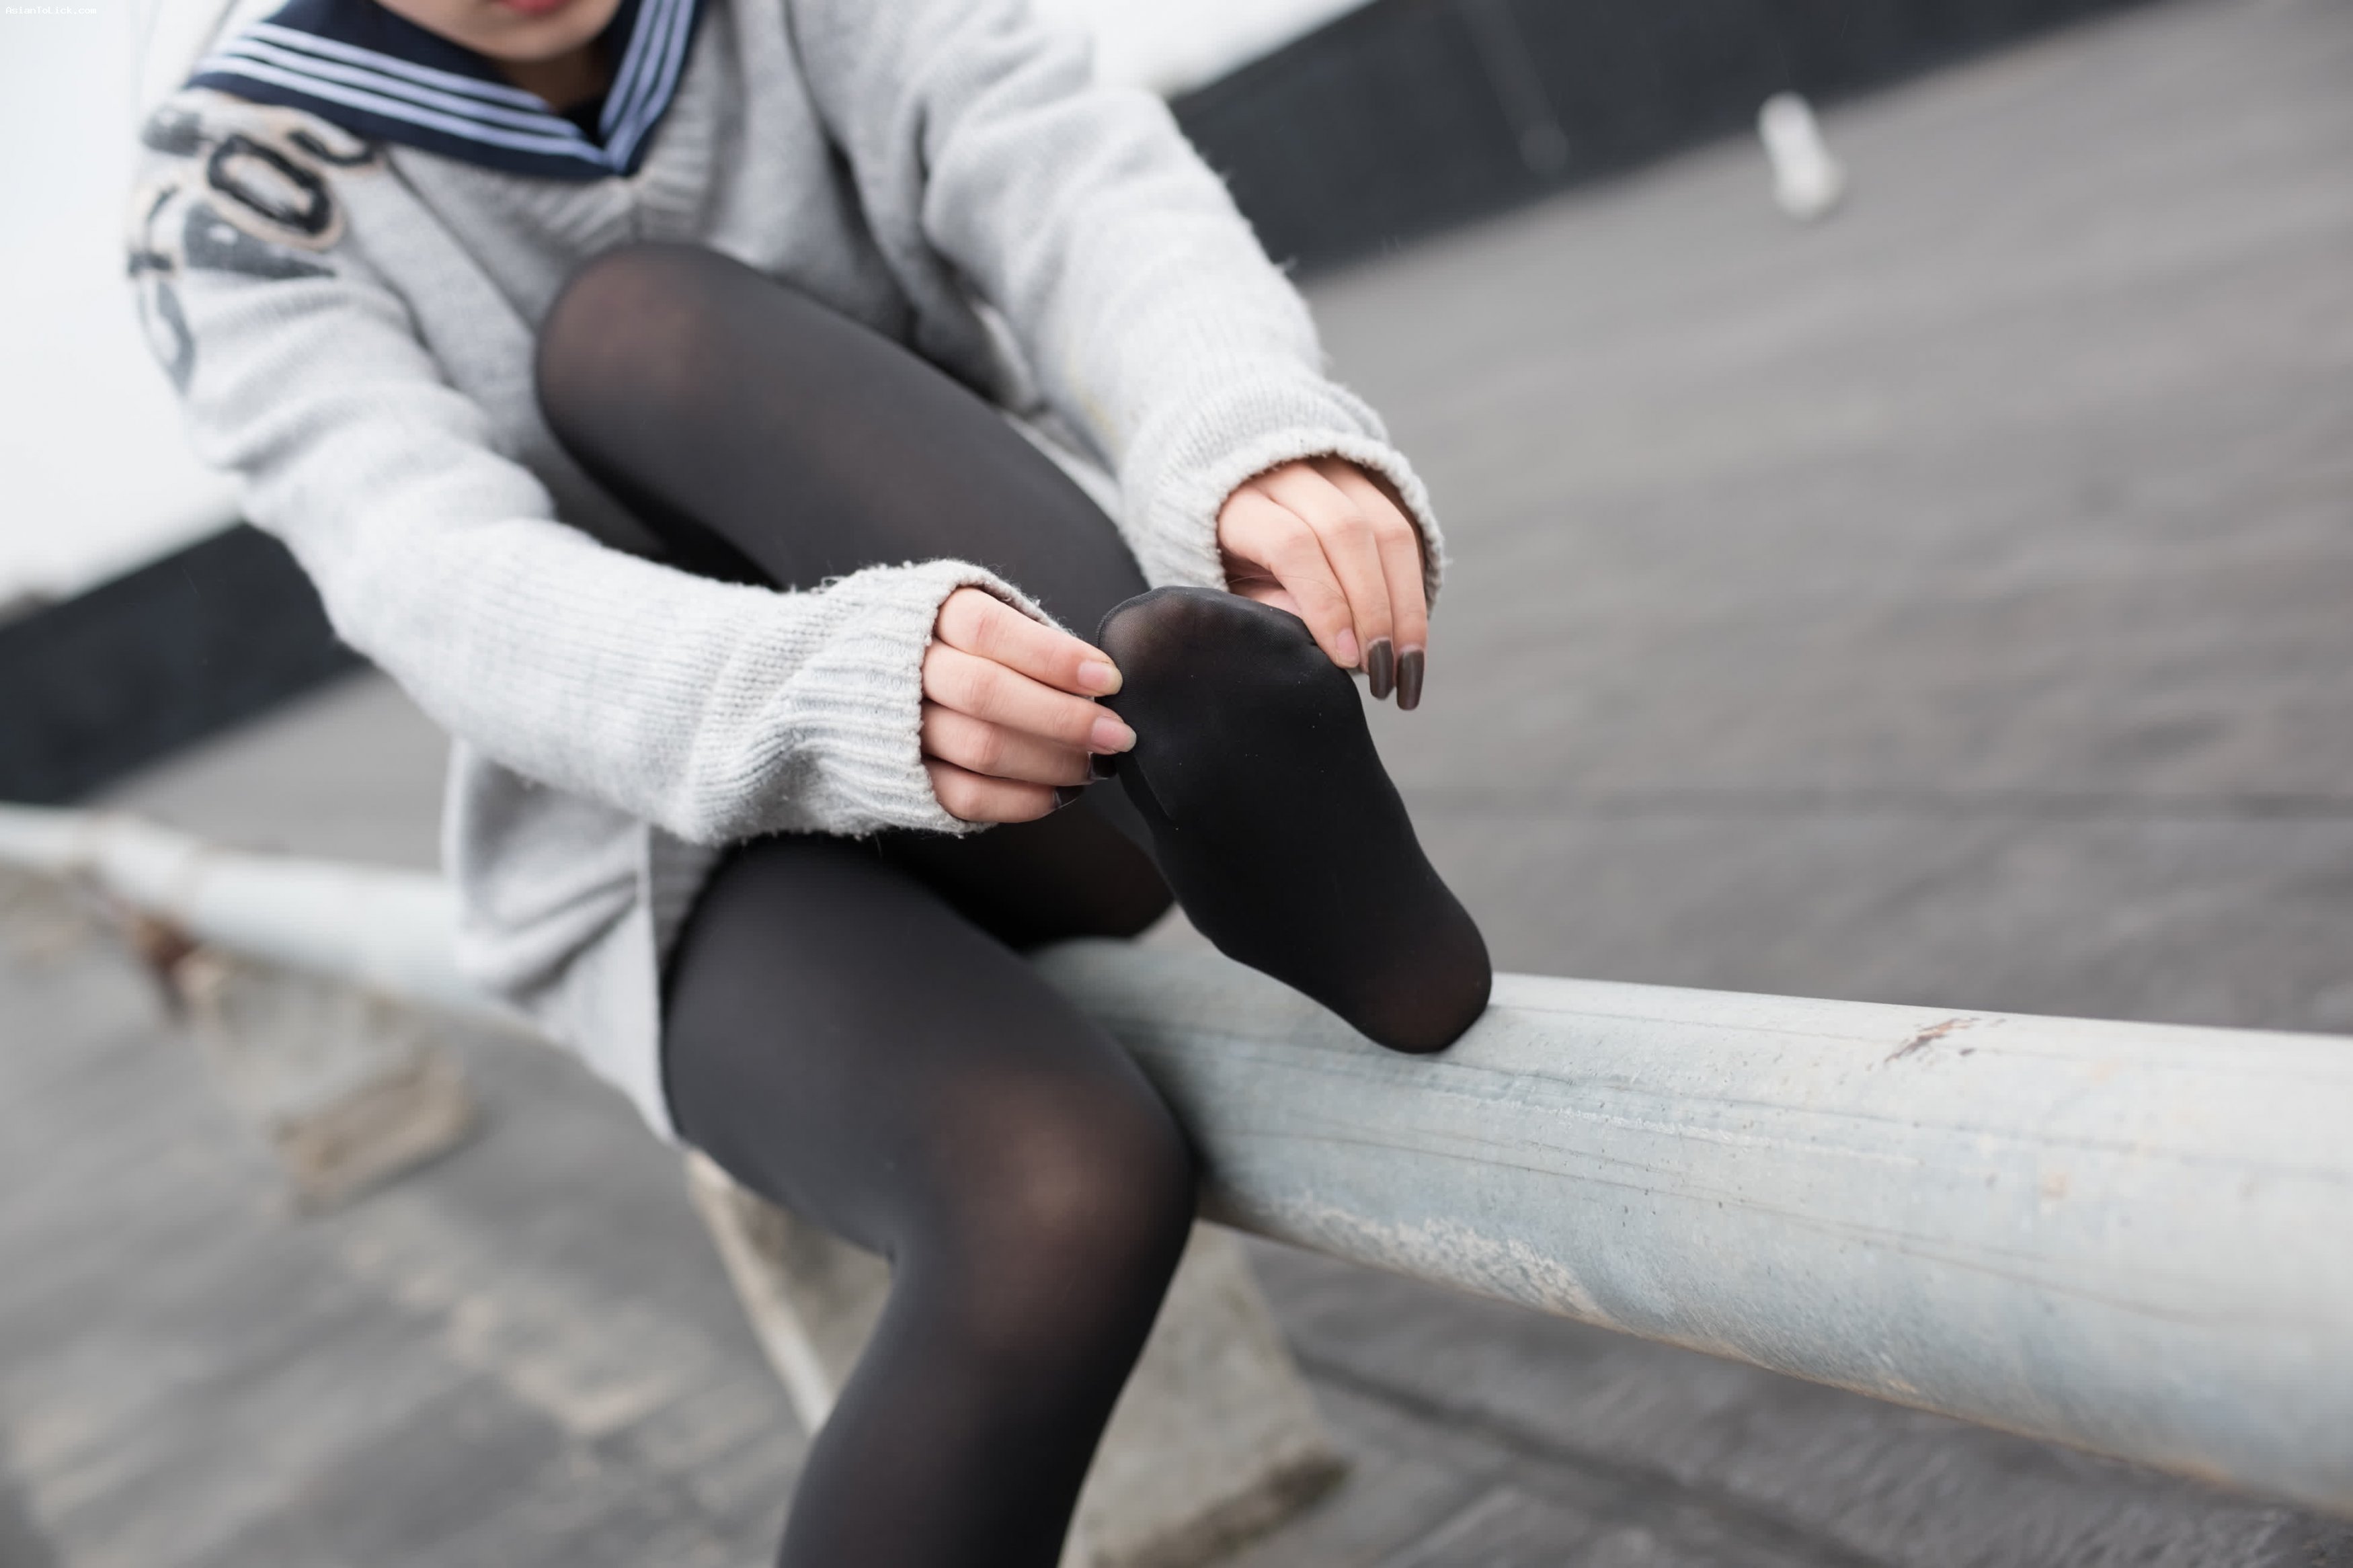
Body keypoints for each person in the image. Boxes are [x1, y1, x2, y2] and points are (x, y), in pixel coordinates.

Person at [128, 0, 1491, 1559]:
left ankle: (1258, 819)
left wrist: (1244, 433)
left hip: (1057, 735)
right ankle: (1220, 801)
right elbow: (421, 571)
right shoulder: (229, 189)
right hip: (677, 861)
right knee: (1054, 1189)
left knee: (643, 323)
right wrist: (829, 687)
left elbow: (1073, 181)